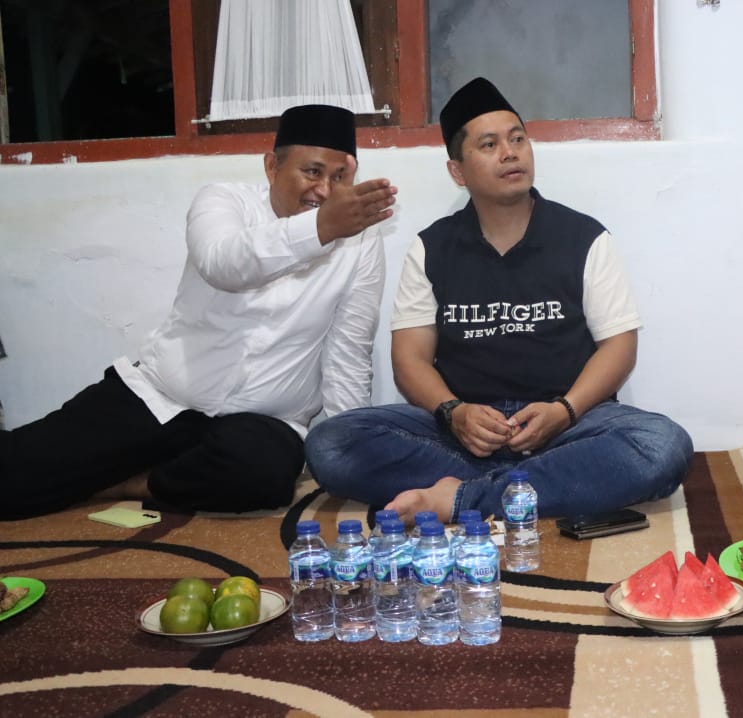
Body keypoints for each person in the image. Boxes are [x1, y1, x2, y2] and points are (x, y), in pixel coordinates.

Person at [304, 78, 692, 522]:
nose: (510, 153)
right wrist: (454, 413)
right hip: (462, 431)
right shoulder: (433, 247)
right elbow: (409, 360)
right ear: (458, 171)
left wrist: (564, 411)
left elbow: (619, 347)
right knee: (331, 443)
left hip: (567, 425)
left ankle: (462, 497)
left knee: (661, 445)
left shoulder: (583, 237)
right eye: (489, 145)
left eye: (517, 139)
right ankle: (532, 486)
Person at [0, 105, 396, 519]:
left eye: (340, 177)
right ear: (271, 167)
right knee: (14, 480)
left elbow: (348, 354)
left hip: (262, 420)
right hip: (164, 397)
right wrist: (320, 229)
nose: (325, 191)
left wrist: (347, 448)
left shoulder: (361, 243)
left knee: (262, 476)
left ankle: (133, 483)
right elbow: (224, 264)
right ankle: (161, 470)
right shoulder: (223, 201)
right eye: (313, 172)